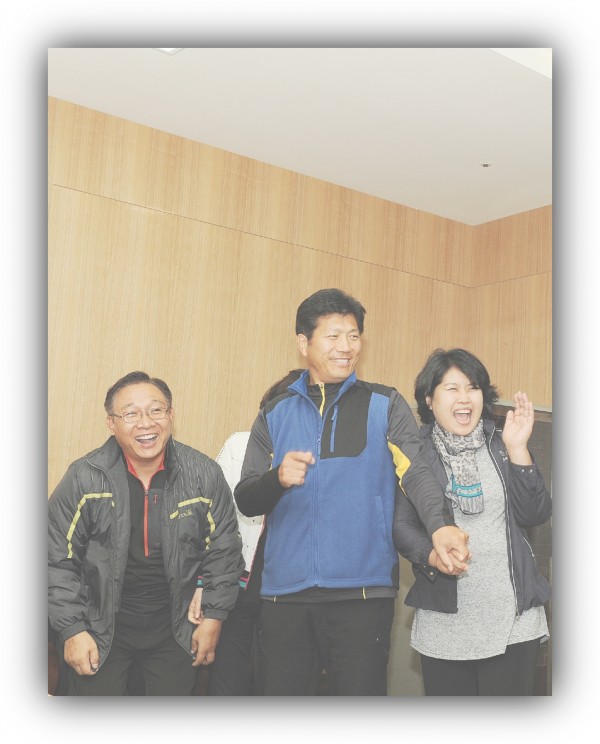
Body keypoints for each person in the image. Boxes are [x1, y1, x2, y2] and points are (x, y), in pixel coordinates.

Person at [234, 288, 470, 696]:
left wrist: (441, 526)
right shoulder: (274, 413)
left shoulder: (385, 404)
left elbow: (417, 473)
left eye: (354, 335)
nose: (346, 347)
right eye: (333, 336)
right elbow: (246, 497)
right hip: (284, 596)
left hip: (363, 592)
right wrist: (278, 478)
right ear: (304, 343)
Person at [48, 371, 244, 695]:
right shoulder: (85, 478)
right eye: (131, 414)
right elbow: (55, 558)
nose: (146, 423)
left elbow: (224, 551)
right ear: (111, 423)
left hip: (176, 629)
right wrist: (72, 629)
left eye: (156, 410)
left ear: (171, 415)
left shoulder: (203, 474)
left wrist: (213, 616)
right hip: (99, 627)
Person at [393, 348, 551, 696]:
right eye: (452, 388)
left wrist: (519, 450)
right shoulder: (414, 452)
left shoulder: (502, 443)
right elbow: (402, 527)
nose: (464, 398)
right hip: (445, 622)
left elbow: (536, 513)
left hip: (513, 620)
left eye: (473, 387)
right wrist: (431, 556)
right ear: (429, 399)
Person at [188, 369, 304, 695]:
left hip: (291, 594)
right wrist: (203, 583)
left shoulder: (317, 456)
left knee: (278, 683)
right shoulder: (240, 445)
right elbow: (209, 521)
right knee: (228, 681)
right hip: (237, 586)